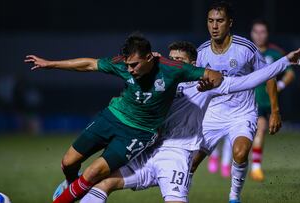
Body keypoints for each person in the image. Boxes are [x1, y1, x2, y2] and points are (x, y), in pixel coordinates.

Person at [78, 43, 300, 203]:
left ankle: (233, 195)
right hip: (148, 152)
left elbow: (249, 80)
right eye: (171, 59)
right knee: (102, 184)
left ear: (192, 63)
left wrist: (285, 61)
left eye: (180, 60)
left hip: (176, 158)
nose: (174, 63)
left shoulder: (204, 86)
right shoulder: (158, 80)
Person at [25, 33, 223, 203]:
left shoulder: (172, 69)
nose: (129, 70)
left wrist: (209, 84)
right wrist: (51, 64)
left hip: (139, 132)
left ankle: (69, 195)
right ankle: (72, 186)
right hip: (112, 117)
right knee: (67, 162)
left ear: (149, 57)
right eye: (127, 65)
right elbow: (89, 64)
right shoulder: (123, 63)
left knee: (94, 173)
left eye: (134, 65)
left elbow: (215, 75)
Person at [191, 1, 281, 202]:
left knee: (240, 153)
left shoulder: (245, 48)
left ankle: (234, 198)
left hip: (242, 113)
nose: (214, 26)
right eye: (210, 21)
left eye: (220, 21)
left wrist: (275, 111)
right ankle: (178, 197)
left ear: (229, 23)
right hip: (212, 114)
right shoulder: (201, 52)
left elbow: (270, 75)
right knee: (190, 163)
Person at [250, 19, 296, 181]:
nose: (259, 35)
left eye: (263, 32)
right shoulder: (247, 52)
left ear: (267, 34)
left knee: (259, 131)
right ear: (251, 33)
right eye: (256, 31)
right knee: (260, 129)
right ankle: (254, 167)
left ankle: (251, 165)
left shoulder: (275, 53)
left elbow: (290, 73)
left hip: (268, 102)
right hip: (249, 102)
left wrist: (281, 85)